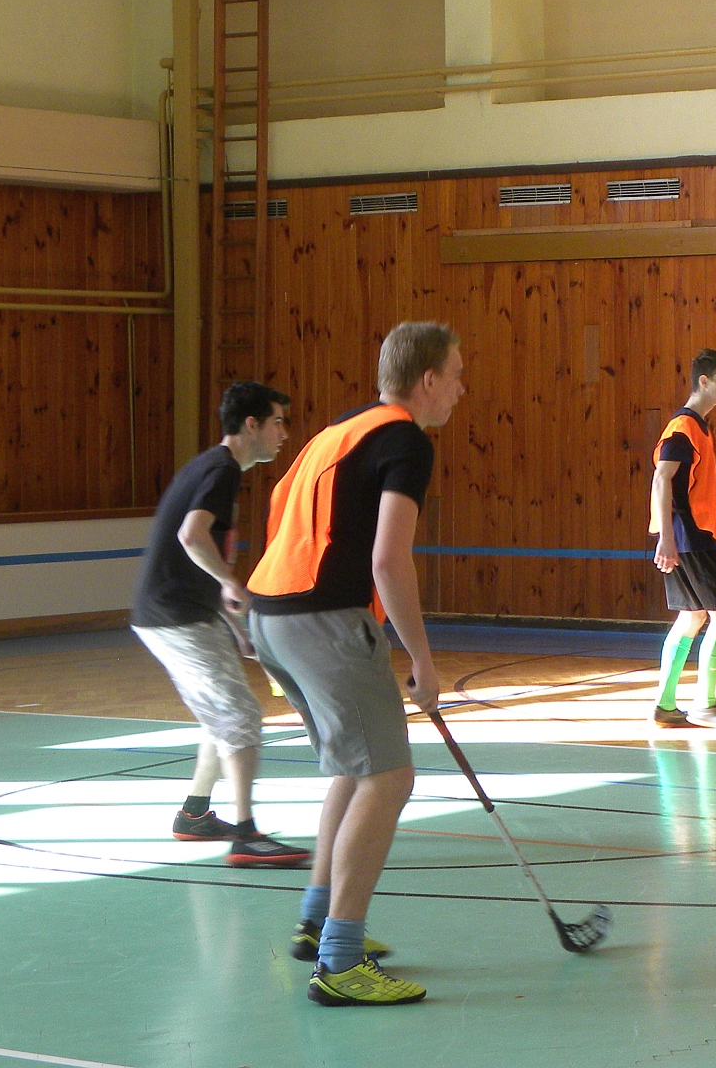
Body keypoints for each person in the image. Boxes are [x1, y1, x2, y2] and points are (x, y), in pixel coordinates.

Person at [247, 322, 461, 1006]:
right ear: (427, 379)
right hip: (323, 619)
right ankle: (340, 962)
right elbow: (389, 559)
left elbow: (279, 511)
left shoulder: (337, 431)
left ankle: (317, 922)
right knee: (389, 777)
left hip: (270, 616)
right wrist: (423, 659)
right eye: (456, 376)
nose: (461, 390)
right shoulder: (405, 440)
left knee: (353, 766)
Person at [130, 380, 305, 865]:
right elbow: (192, 536)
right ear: (251, 424)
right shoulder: (222, 469)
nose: (283, 434)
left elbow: (195, 553)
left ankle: (195, 814)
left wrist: (236, 628)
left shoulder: (214, 466)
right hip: (173, 616)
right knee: (239, 716)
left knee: (221, 711)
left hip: (183, 611)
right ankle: (246, 835)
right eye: (277, 422)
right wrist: (231, 583)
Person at [649, 349, 716, 729]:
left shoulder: (701, 428)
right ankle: (705, 705)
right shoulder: (682, 429)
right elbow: (662, 480)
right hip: (688, 537)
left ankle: (665, 706)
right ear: (703, 382)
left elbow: (695, 491)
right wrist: (667, 540)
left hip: (697, 532)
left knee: (692, 617)